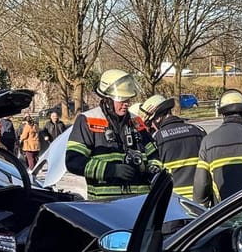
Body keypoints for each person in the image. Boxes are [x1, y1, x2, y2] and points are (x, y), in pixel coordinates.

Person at [66, 70, 154, 201]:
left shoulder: (136, 121)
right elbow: (74, 161)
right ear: (107, 99)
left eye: (128, 99)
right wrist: (110, 170)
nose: (126, 103)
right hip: (106, 206)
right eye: (121, 99)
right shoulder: (88, 120)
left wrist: (153, 166)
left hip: (140, 203)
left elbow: (153, 153)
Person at [193, 89, 242, 206]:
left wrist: (201, 210)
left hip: (222, 211)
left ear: (223, 114)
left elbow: (201, 183)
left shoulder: (208, 140)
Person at [135, 94, 205, 201]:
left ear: (158, 118)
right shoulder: (199, 131)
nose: (152, 127)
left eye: (151, 122)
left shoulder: (156, 139)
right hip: (200, 199)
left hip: (173, 201)